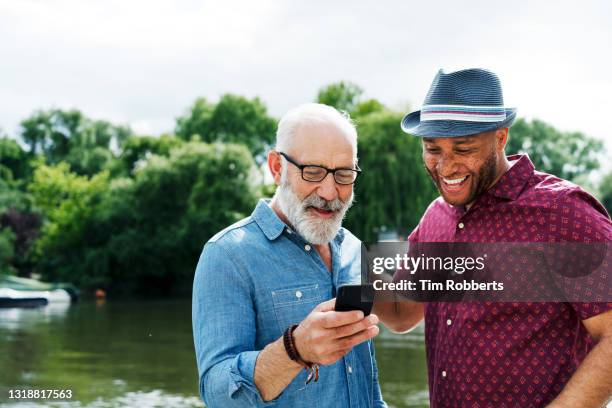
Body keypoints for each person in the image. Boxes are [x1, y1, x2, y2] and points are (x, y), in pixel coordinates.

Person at [375, 68, 612, 407]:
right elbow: (401, 311)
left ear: (500, 138)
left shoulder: (562, 212)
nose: (446, 167)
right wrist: (339, 266)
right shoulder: (436, 218)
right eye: (433, 149)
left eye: (463, 148)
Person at [192, 103, 386, 407]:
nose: (329, 192)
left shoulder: (354, 249)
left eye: (344, 175)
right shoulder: (227, 255)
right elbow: (218, 395)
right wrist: (295, 350)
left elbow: (367, 387)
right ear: (276, 168)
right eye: (313, 172)